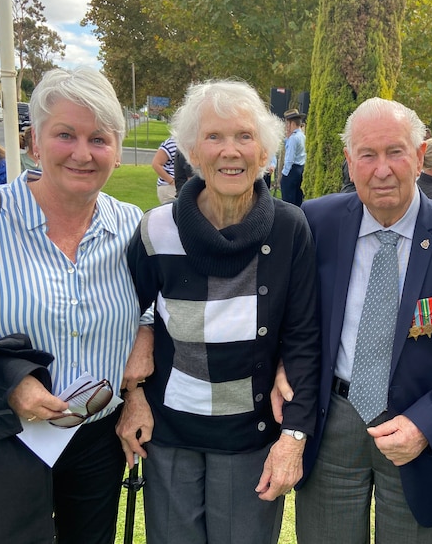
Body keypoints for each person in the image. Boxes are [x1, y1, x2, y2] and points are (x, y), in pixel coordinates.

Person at [0, 67, 153, 544]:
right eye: (65, 134)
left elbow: (150, 305)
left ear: (116, 149)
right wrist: (6, 383)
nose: (83, 153)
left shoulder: (133, 226)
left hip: (96, 442)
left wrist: (143, 350)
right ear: (34, 142)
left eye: (100, 139)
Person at [283, 98, 432, 543]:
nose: (382, 169)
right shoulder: (315, 223)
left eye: (395, 152)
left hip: (422, 432)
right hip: (333, 424)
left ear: (421, 157)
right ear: (350, 161)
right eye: (367, 154)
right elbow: (291, 318)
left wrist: (427, 424)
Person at [115, 79, 321, 544]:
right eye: (215, 137)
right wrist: (133, 396)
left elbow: (304, 336)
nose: (231, 151)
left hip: (251, 435)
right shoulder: (156, 229)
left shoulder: (291, 228)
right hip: (168, 433)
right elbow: (127, 313)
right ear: (191, 150)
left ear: (266, 153)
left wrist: (293, 437)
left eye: (245, 136)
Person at [280, 108, 306, 206]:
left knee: (288, 201)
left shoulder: (294, 138)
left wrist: (285, 174)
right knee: (297, 198)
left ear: (292, 123)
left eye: (287, 123)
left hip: (292, 170)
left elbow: (290, 158)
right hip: (300, 168)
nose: (286, 126)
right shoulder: (302, 136)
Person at [152, 136, 178, 203]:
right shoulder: (171, 143)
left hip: (180, 185)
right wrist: (171, 181)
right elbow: (156, 164)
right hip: (169, 187)